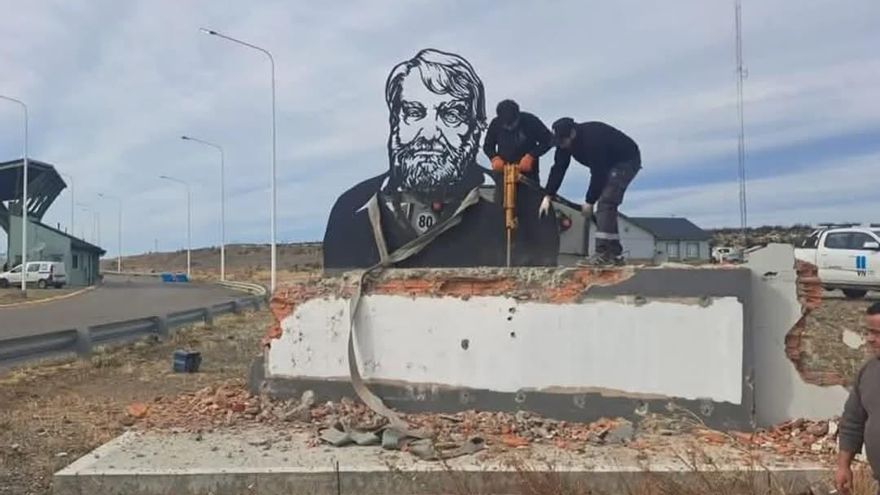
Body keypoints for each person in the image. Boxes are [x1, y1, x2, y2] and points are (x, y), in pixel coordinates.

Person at [322, 49, 559, 272]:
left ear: (475, 128)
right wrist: (494, 157)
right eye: (414, 113)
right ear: (394, 121)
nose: (429, 133)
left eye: (451, 115)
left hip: (520, 178)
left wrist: (532, 156)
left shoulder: (533, 209)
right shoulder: (351, 209)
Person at [539, 117, 641, 265]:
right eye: (558, 143)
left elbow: (598, 172)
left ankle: (604, 254)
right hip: (608, 165)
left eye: (563, 142)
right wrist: (548, 194)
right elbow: (559, 168)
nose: (561, 146)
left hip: (626, 161)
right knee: (606, 205)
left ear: (572, 134)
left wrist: (589, 201)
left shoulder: (593, 139)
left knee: (606, 202)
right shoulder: (563, 144)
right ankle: (614, 254)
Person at [836, 302, 880, 495]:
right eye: (869, 332)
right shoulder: (868, 371)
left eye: (878, 333)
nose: (871, 339)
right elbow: (853, 421)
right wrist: (843, 466)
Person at [482, 99, 553, 184]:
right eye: (506, 125)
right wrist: (494, 158)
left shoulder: (530, 121)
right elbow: (487, 146)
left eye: (512, 124)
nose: (509, 127)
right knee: (501, 197)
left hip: (528, 174)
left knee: (530, 196)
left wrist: (531, 156)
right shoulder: (495, 123)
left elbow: (549, 140)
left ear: (518, 116)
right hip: (504, 174)